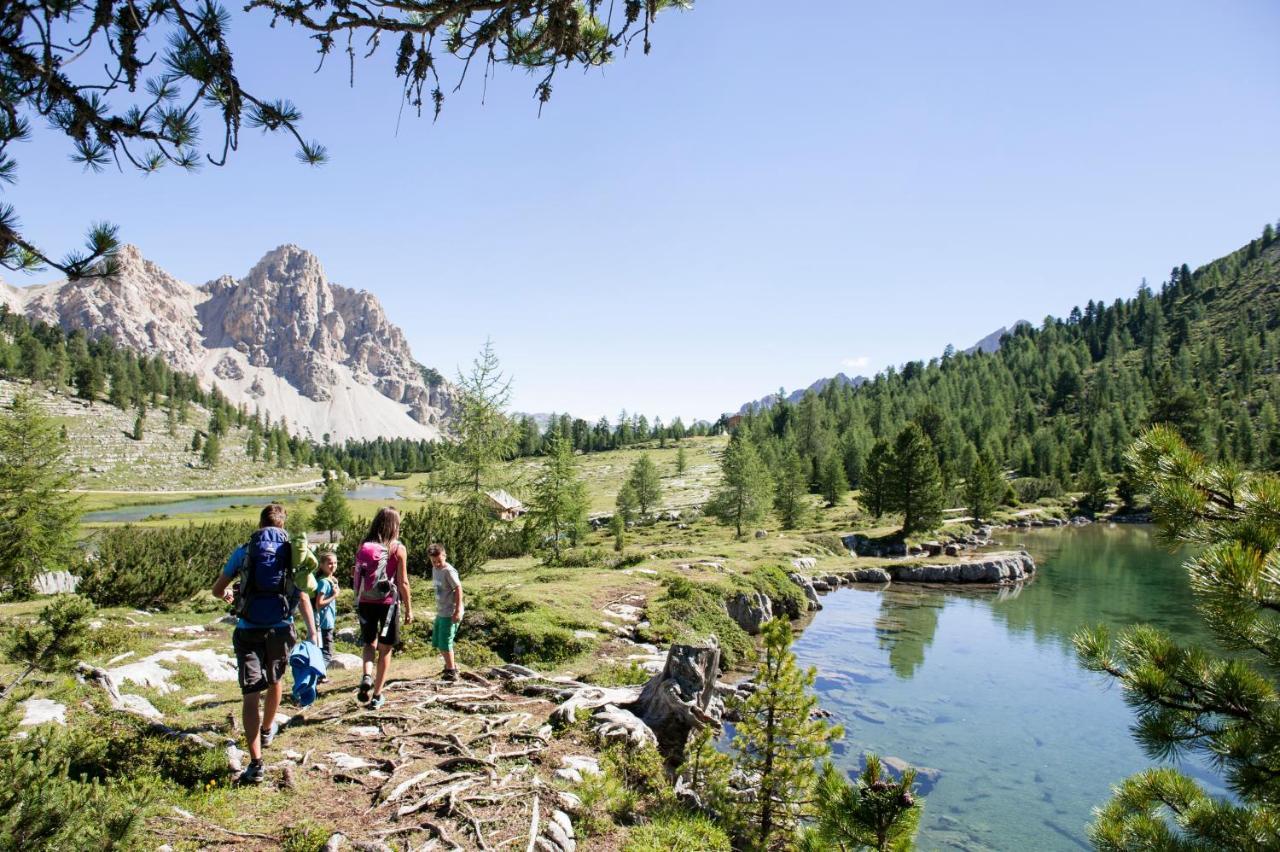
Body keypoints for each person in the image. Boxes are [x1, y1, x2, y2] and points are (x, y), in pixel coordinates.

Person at [212, 504, 316, 785]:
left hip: (248, 629)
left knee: (249, 695)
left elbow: (217, 589)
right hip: (281, 628)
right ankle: (268, 729)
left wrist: (229, 597)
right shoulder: (293, 553)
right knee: (276, 679)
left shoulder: (245, 550)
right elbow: (306, 594)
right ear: (283, 525)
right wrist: (313, 634)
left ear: (260, 524)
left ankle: (256, 763)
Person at [353, 507, 412, 709]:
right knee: (385, 650)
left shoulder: (364, 545)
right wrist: (409, 609)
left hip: (365, 601)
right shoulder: (398, 549)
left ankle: (367, 675)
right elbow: (403, 582)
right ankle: (377, 694)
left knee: (369, 643)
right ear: (395, 526)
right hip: (388, 604)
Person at [429, 543, 464, 682]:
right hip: (441, 611)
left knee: (445, 642)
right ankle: (450, 665)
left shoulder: (449, 570)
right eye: (433, 561)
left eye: (439, 561)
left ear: (445, 556)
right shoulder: (435, 569)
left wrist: (457, 610)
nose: (437, 564)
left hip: (450, 612)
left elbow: (458, 588)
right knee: (438, 640)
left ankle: (452, 672)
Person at [313, 551, 339, 672]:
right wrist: (334, 595)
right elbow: (319, 603)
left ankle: (320, 675)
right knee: (327, 654)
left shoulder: (329, 580)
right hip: (324, 623)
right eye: (329, 563)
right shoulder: (323, 582)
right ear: (322, 565)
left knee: (323, 651)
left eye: (335, 563)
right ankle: (319, 675)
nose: (333, 565)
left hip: (327, 622)